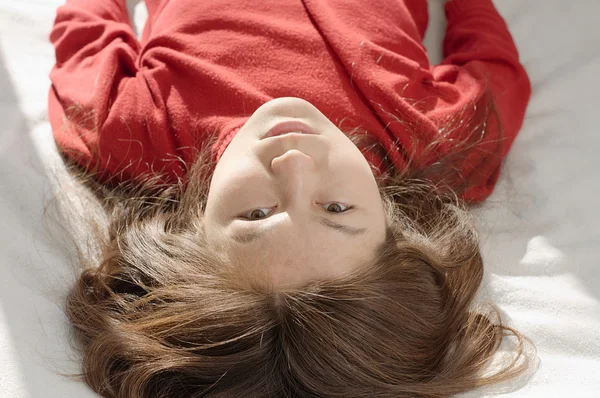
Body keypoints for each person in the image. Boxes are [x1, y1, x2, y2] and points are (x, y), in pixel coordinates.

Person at [48, 0, 534, 396]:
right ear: (395, 229)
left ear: (192, 231)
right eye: (336, 209)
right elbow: (495, 70)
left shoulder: (134, 132)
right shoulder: (435, 140)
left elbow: (86, 34)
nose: (294, 163)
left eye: (257, 213)